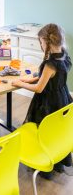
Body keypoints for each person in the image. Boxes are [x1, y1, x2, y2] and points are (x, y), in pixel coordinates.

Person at [12, 23, 73, 178]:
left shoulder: (50, 64)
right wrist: (32, 78)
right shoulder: (64, 55)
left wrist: (21, 83)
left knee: (44, 129)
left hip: (48, 101)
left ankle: (45, 163)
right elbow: (50, 78)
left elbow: (39, 88)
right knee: (56, 131)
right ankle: (57, 159)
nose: (40, 45)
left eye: (40, 42)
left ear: (46, 42)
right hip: (63, 96)